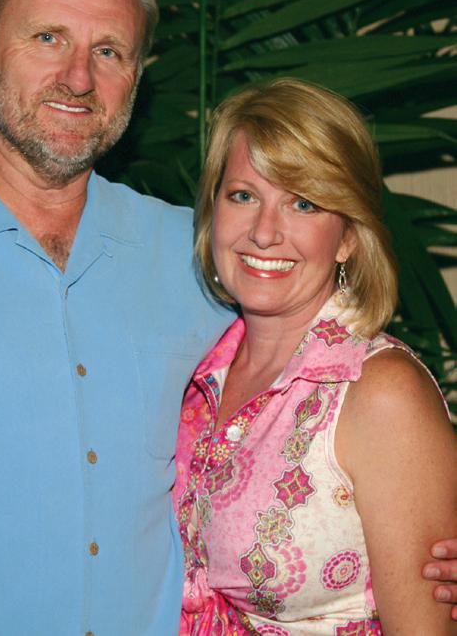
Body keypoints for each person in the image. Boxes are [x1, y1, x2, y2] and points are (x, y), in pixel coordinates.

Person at [0, 0, 455, 634]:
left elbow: (367, 418)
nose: (78, 77)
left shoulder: (204, 255)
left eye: (109, 51)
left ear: (136, 76)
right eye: (48, 38)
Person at [173, 78, 457, 634]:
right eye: (243, 196)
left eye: (303, 203)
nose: (264, 232)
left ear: (348, 236)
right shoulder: (193, 372)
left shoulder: (381, 393)